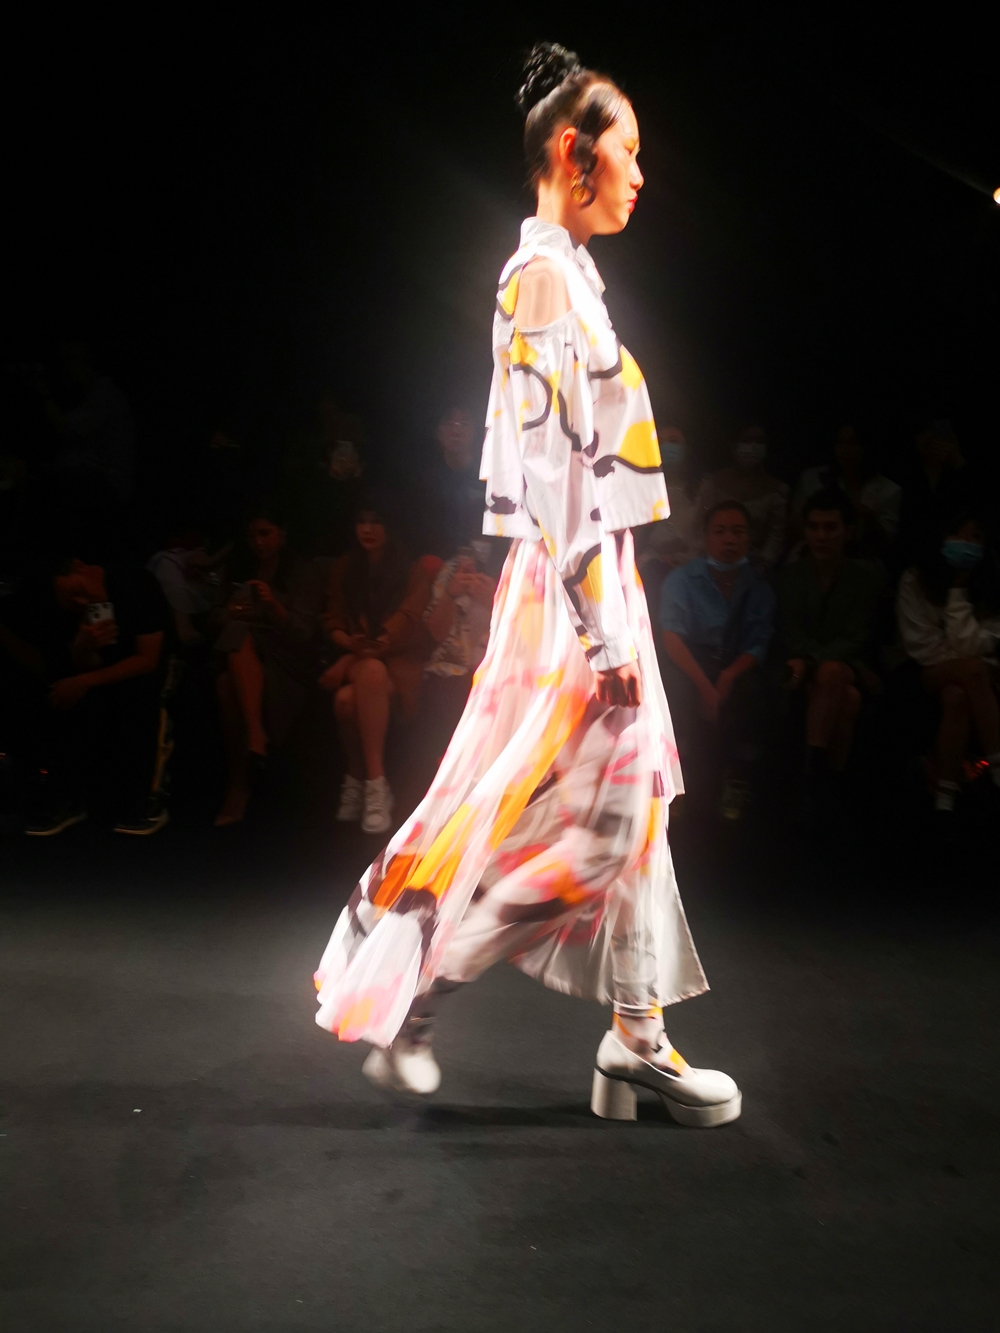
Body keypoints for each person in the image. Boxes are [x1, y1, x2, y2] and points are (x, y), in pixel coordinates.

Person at [314, 43, 740, 1128]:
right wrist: (607, 639)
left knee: (632, 809)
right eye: (627, 149)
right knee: (600, 823)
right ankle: (420, 1003)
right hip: (573, 588)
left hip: (589, 580)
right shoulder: (543, 279)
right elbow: (556, 477)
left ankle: (635, 1036)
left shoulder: (568, 275)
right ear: (571, 151)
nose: (641, 172)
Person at [22, 553, 170, 835]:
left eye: (77, 591)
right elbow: (88, 663)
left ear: (79, 567)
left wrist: (84, 680)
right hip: (105, 673)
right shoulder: (69, 609)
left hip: (146, 669)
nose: (80, 601)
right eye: (69, 599)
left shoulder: (134, 583)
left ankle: (143, 802)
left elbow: (148, 659)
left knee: (136, 697)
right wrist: (83, 645)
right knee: (62, 692)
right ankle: (69, 797)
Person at [320, 499, 433, 835]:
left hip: (398, 662)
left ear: (391, 526)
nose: (367, 529)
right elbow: (333, 618)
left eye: (376, 521)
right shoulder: (345, 566)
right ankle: (376, 785)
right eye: (361, 521)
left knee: (345, 700)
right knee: (369, 671)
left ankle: (360, 780)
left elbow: (409, 620)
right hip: (363, 660)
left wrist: (369, 647)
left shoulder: (412, 570)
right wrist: (348, 644)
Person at [659, 501, 776, 819]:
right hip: (691, 663)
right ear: (706, 537)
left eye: (738, 532)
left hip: (733, 664)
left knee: (755, 690)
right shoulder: (683, 579)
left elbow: (758, 643)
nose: (729, 539)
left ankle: (737, 777)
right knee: (675, 688)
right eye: (720, 531)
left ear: (749, 538)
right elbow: (672, 638)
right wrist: (704, 686)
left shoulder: (758, 585)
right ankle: (674, 778)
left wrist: (726, 677)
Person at [213, 504, 323, 826]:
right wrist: (229, 612)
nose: (258, 542)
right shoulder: (240, 568)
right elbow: (212, 617)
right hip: (244, 651)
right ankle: (253, 745)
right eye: (252, 536)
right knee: (233, 651)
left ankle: (240, 782)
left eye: (265, 533)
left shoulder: (301, 571)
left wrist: (273, 605)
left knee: (226, 684)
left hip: (286, 656)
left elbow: (304, 631)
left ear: (282, 533)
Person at [777, 487, 883, 804]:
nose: (821, 536)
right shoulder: (791, 576)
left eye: (830, 527)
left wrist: (812, 661)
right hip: (805, 667)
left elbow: (857, 637)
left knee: (832, 672)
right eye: (813, 527)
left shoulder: (865, 578)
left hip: (846, 665)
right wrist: (811, 661)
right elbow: (790, 631)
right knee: (847, 699)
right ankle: (829, 787)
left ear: (848, 532)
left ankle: (809, 784)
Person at [896, 510, 1000, 815]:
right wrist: (966, 663)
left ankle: (945, 796)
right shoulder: (915, 580)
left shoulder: (991, 585)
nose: (965, 543)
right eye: (957, 534)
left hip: (976, 676)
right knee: (972, 671)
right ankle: (998, 765)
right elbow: (922, 645)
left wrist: (957, 592)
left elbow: (984, 641)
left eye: (974, 537)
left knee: (957, 696)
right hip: (922, 671)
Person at [415, 538, 498, 781]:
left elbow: (530, 633)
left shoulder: (517, 568)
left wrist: (495, 602)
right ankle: (446, 782)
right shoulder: (450, 571)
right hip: (449, 674)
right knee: (448, 693)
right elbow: (435, 633)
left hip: (500, 671)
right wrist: (450, 594)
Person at [791, 424, 901, 561]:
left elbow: (886, 544)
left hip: (863, 562)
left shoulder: (888, 490)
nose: (845, 448)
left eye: (853, 442)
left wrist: (870, 521)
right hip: (813, 556)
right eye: (840, 442)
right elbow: (795, 526)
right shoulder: (813, 479)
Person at [693, 426, 789, 570]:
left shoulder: (777, 491)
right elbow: (699, 525)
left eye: (759, 441)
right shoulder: (713, 484)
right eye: (746, 440)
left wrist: (763, 564)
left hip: (755, 567)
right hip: (712, 562)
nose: (753, 446)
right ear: (734, 446)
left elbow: (776, 535)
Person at [416, 405, 491, 560]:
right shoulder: (427, 480)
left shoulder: (488, 475)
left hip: (480, 560)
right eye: (450, 424)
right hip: (438, 560)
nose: (456, 431)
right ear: (438, 432)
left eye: (464, 424)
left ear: (475, 432)